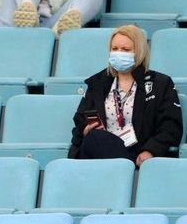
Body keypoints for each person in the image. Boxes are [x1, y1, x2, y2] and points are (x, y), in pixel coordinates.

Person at [69, 25, 183, 166]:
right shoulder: (97, 84)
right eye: (115, 49)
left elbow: (170, 126)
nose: (119, 54)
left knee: (97, 138)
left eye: (126, 50)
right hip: (97, 153)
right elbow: (79, 125)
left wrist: (150, 151)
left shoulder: (160, 84)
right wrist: (85, 130)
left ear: (139, 51)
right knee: (95, 137)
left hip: (136, 156)